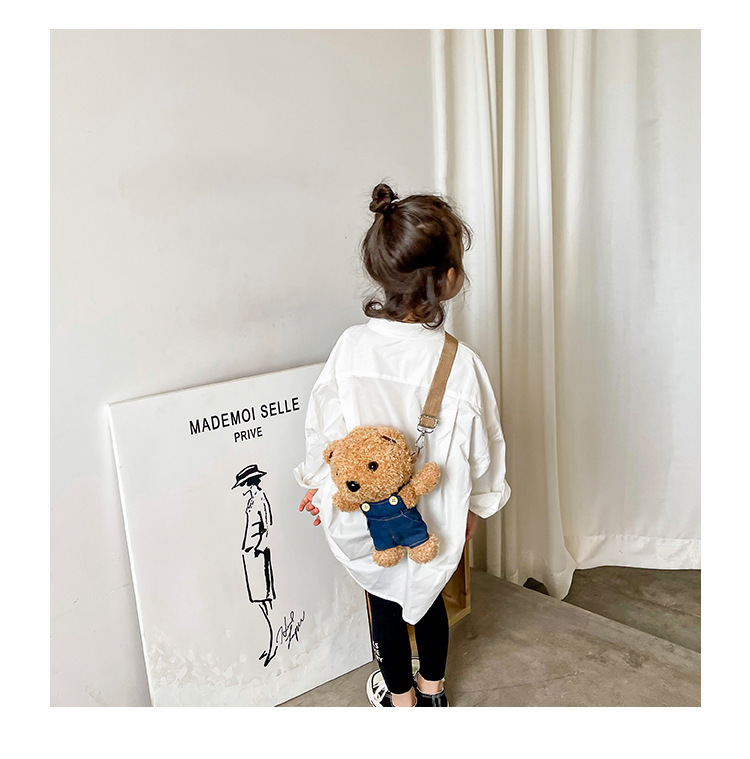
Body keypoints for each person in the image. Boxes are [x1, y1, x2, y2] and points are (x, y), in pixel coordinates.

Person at [293, 182, 511, 707]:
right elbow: (484, 446)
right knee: (428, 596)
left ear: (380, 270)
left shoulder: (351, 347)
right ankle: (434, 693)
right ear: (448, 278)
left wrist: (320, 484)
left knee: (384, 600)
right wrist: (476, 505)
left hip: (368, 511)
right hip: (435, 510)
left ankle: (400, 701)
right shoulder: (460, 362)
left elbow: (325, 429)